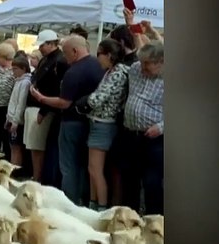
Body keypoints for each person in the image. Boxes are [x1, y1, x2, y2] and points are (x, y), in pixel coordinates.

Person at [31, 35, 103, 206]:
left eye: (66, 53)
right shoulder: (98, 66)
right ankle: (85, 200)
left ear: (75, 51)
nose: (64, 57)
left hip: (71, 122)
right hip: (91, 121)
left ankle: (69, 202)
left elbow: (64, 103)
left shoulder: (74, 71)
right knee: (84, 165)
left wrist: (42, 98)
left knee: (68, 165)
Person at [80, 39, 130, 210]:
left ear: (109, 55)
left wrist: (86, 101)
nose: (97, 58)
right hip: (99, 122)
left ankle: (100, 207)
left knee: (96, 169)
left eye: (99, 53)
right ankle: (93, 204)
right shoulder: (111, 71)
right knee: (92, 169)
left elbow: (98, 98)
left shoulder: (117, 73)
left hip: (104, 123)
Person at [117, 41, 164, 214]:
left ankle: (154, 220)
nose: (142, 67)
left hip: (155, 139)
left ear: (161, 62)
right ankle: (130, 217)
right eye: (141, 62)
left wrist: (160, 127)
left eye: (147, 64)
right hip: (130, 134)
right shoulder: (136, 68)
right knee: (129, 179)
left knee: (153, 182)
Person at [23, 30, 70, 186]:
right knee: (33, 144)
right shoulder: (46, 59)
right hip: (37, 104)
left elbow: (55, 88)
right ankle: (36, 175)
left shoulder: (59, 61)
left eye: (43, 45)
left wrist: (44, 110)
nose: (41, 48)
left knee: (38, 144)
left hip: (44, 107)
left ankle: (38, 177)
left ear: (51, 43)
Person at [5, 55, 33, 179]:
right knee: (12, 146)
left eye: (15, 69)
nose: (13, 72)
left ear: (23, 68)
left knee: (16, 148)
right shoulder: (18, 82)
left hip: (17, 121)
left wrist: (15, 121)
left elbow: (20, 103)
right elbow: (12, 101)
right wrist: (8, 118)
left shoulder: (25, 83)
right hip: (11, 118)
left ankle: (15, 171)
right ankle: (13, 167)